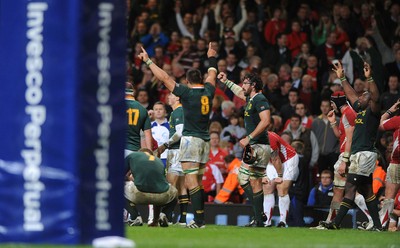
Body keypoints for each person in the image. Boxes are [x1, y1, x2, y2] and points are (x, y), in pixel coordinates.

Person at [138, 43, 217, 228]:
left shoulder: (187, 93)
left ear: (188, 81)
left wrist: (148, 61)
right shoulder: (209, 90)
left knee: (190, 181)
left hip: (191, 140)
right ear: (201, 80)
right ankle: (200, 219)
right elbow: (212, 74)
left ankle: (198, 221)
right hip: (205, 140)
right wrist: (211, 56)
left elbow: (164, 77)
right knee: (197, 181)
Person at [321, 61, 382, 231]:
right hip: (360, 153)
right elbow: (351, 95)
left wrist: (369, 78)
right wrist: (342, 78)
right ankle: (378, 225)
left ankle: (336, 223)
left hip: (365, 153)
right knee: (367, 191)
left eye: (364, 95)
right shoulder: (360, 109)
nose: (359, 96)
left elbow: (376, 97)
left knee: (350, 187)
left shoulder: (373, 110)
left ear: (370, 100)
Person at [217, 71, 271, 227]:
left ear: (253, 85)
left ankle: (258, 215)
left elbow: (266, 120)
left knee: (249, 180)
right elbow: (239, 91)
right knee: (249, 180)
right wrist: (226, 81)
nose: (242, 86)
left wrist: (250, 137)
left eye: (245, 83)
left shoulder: (260, 98)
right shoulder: (251, 98)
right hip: (256, 145)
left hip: (259, 145)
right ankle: (259, 215)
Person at [156, 93, 188, 226]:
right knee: (181, 186)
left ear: (178, 98)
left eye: (171, 95)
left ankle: (166, 216)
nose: (168, 97)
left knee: (171, 184)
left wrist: (166, 144)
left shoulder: (178, 112)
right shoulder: (178, 112)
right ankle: (182, 220)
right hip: (182, 151)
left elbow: (180, 132)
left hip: (176, 151)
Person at [124, 149, 177, 227]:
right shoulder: (158, 160)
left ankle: (135, 217)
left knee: (117, 188)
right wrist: (155, 221)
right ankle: (163, 215)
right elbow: (159, 187)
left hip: (139, 194)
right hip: (162, 196)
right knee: (174, 192)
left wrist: (129, 178)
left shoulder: (132, 156)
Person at [263, 131, 299, 227]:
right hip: (270, 162)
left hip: (288, 159)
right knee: (267, 188)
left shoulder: (269, 138)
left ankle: (282, 221)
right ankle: (267, 222)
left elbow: (276, 159)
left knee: (282, 188)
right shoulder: (252, 140)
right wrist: (263, 175)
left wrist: (279, 175)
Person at [378, 99, 400, 228]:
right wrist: (391, 110)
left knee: (390, 199)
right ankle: (381, 224)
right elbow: (380, 125)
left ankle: (381, 224)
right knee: (390, 199)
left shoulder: (398, 119)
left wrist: (390, 110)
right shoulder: (397, 120)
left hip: (396, 163)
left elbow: (379, 124)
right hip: (396, 163)